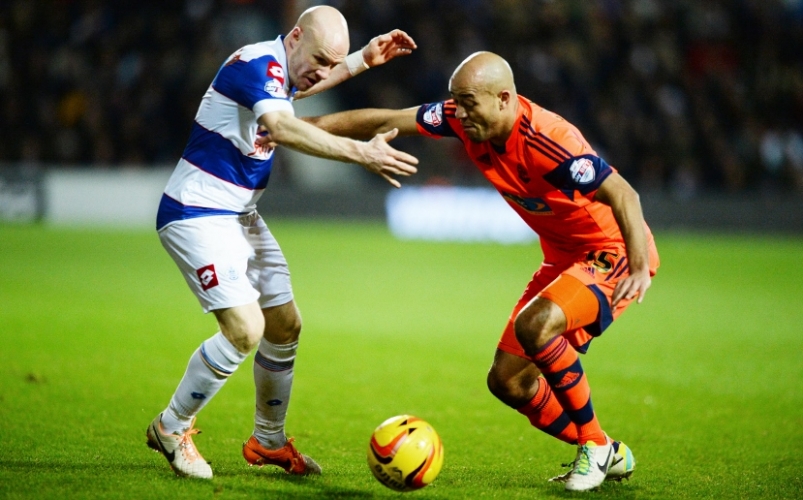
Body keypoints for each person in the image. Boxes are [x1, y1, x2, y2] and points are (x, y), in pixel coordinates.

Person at [298, 51, 660, 492]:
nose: (459, 112)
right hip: (561, 257)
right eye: (455, 101)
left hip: (611, 251)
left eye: (468, 102)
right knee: (507, 382)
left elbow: (624, 193)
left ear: (504, 98)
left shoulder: (550, 141)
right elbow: (385, 119)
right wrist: (301, 128)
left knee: (536, 325)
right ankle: (607, 449)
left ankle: (593, 446)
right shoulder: (460, 118)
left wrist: (637, 266)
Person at [146, 6, 419, 480]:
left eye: (331, 63)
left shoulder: (281, 69)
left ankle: (268, 441)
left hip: (240, 216)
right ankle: (171, 426)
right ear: (294, 37)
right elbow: (284, 127)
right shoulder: (255, 65)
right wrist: (361, 152)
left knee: (285, 325)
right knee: (244, 329)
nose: (324, 71)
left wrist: (360, 61)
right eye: (321, 58)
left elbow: (300, 86)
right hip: (197, 213)